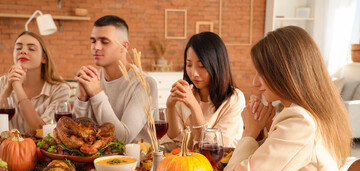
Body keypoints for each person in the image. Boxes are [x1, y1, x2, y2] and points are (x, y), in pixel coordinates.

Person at [224, 26, 352, 171]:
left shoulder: (300, 123)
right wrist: (262, 133)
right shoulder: (312, 114)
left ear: (286, 72)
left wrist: (250, 132)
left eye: (262, 74)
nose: (255, 82)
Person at [73, 15, 158, 144]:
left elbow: (122, 139)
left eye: (104, 42)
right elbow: (78, 135)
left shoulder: (145, 83)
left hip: (137, 162)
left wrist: (97, 94)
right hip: (96, 160)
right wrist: (82, 99)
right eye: (93, 41)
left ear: (124, 46)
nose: (96, 47)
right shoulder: (93, 80)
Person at [161, 31, 245, 151]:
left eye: (201, 66)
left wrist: (194, 106)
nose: (194, 73)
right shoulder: (186, 93)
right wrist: (170, 107)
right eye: (189, 65)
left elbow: (214, 151)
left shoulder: (234, 98)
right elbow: (174, 146)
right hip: (185, 167)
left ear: (217, 65)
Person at [0, 31, 70, 133]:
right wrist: (7, 89)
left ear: (44, 58)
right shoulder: (2, 82)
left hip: (40, 148)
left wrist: (17, 87)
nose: (22, 51)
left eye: (31, 49)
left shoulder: (60, 89)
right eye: (18, 48)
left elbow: (41, 131)